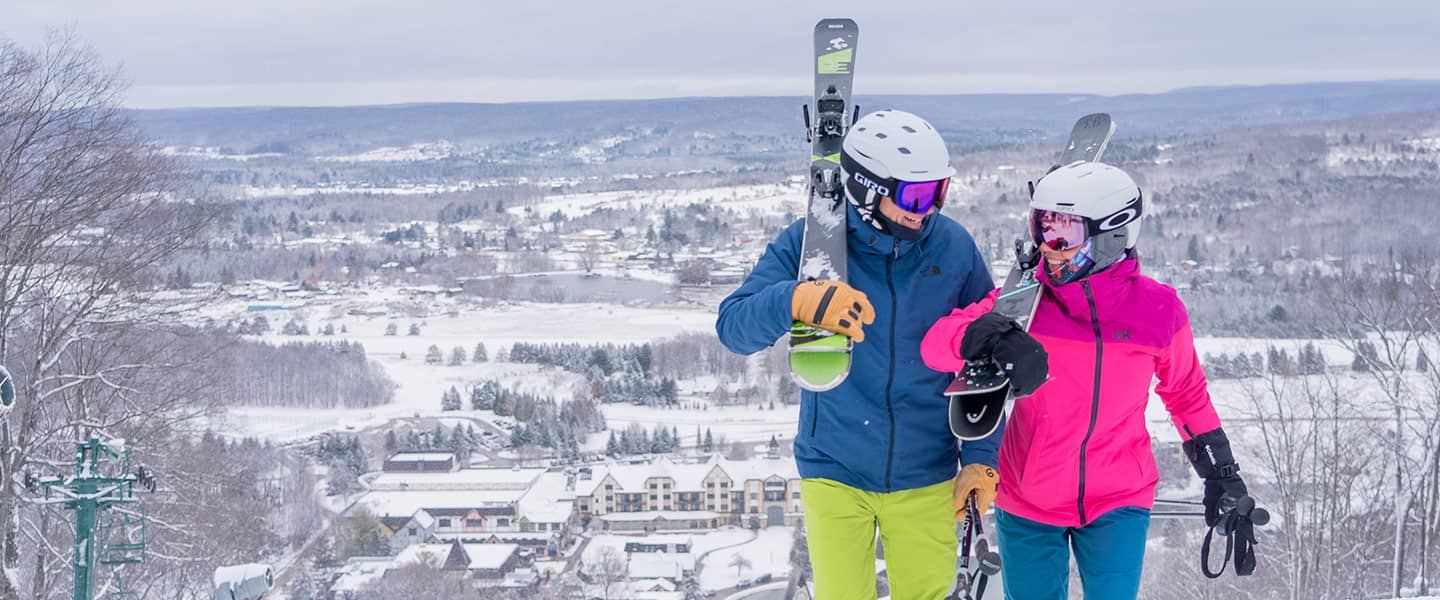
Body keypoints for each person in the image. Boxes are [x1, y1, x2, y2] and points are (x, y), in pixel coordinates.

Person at [920, 161, 1251, 599]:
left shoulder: (1158, 311)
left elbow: (1185, 392)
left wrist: (1221, 471)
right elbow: (934, 345)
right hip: (1029, 499)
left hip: (1119, 498)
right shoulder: (1024, 304)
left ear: (1113, 235)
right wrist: (986, 335)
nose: (1048, 247)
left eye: (1064, 235)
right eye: (1041, 228)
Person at [717, 109, 1000, 600]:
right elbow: (733, 327)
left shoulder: (953, 248)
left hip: (927, 468)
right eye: (914, 194)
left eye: (937, 191)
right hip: (835, 465)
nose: (926, 209)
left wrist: (980, 459)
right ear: (868, 190)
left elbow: (988, 360)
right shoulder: (811, 243)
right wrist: (796, 299)